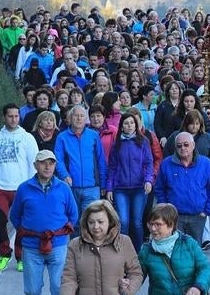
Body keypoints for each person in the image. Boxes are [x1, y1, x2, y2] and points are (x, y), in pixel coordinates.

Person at [10, 150, 78, 295]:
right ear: (35, 165)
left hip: (58, 245)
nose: (47, 167)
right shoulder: (24, 188)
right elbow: (15, 215)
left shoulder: (63, 188)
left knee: (59, 287)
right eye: (43, 163)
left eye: (51, 163)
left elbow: (73, 214)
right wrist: (28, 232)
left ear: (55, 166)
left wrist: (61, 234)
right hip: (31, 246)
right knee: (32, 290)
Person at [0, 103, 39, 271]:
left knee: (22, 225)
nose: (14, 119)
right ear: (4, 117)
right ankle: (4, 254)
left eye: (16, 116)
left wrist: (30, 185)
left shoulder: (27, 138)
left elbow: (34, 162)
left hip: (21, 188)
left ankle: (21, 257)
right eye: (10, 116)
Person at [61, 199, 143, 295]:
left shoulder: (124, 242)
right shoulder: (75, 244)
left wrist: (128, 290)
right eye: (91, 222)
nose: (95, 227)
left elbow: (136, 273)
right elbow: (69, 279)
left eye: (100, 222)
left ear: (110, 221)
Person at [154, 132, 210, 244]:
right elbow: (160, 188)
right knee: (174, 250)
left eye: (186, 144)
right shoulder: (166, 164)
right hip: (174, 217)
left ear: (193, 145)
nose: (183, 148)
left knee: (195, 252)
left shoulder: (207, 164)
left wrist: (207, 211)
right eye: (179, 146)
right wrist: (166, 209)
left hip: (198, 217)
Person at [55, 105, 107, 236]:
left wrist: (103, 183)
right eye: (75, 115)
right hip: (71, 187)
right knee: (74, 222)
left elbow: (101, 160)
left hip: (92, 187)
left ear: (86, 119)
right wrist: (64, 175)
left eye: (82, 115)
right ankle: (76, 253)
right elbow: (58, 160)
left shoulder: (94, 136)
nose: (79, 118)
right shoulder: (62, 137)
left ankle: (91, 252)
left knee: (90, 222)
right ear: (70, 118)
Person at [139, 203, 210, 294]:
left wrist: (198, 287)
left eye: (158, 224)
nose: (153, 228)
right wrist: (127, 284)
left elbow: (205, 267)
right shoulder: (146, 250)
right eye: (150, 224)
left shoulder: (188, 243)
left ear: (171, 225)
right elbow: (137, 276)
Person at [106, 113, 154, 251]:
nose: (129, 126)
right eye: (126, 123)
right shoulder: (117, 144)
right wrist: (109, 188)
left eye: (132, 123)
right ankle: (123, 251)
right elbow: (112, 167)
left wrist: (148, 180)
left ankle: (138, 253)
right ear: (121, 126)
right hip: (120, 188)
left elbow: (148, 163)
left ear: (136, 125)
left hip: (139, 187)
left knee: (137, 222)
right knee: (123, 221)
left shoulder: (143, 142)